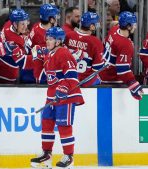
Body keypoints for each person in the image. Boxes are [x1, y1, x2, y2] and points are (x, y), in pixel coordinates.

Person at [30, 27, 84, 169]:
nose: (47, 41)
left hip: (66, 96)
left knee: (63, 125)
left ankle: (69, 157)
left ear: (59, 41)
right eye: (47, 38)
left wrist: (63, 88)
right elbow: (40, 77)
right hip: (52, 96)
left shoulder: (64, 53)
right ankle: (47, 154)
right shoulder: (49, 55)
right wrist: (36, 59)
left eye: (51, 39)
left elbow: (72, 76)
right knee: (47, 123)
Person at [100, 11, 144, 100]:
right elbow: (122, 70)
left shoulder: (114, 30)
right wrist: (133, 84)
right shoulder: (125, 44)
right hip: (113, 79)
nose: (135, 26)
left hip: (103, 73)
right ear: (128, 26)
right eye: (133, 24)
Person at [0, 9, 34, 84]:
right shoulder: (15, 40)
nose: (25, 26)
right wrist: (39, 58)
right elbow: (22, 61)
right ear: (15, 24)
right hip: (4, 75)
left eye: (26, 23)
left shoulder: (8, 24)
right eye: (22, 24)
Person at [65, 12, 104, 87]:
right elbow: (98, 68)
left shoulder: (69, 35)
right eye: (96, 24)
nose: (98, 26)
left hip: (69, 78)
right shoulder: (96, 42)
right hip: (85, 80)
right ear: (92, 26)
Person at [29, 3, 59, 84]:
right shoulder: (40, 32)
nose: (57, 18)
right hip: (41, 70)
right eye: (55, 16)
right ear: (51, 19)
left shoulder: (36, 26)